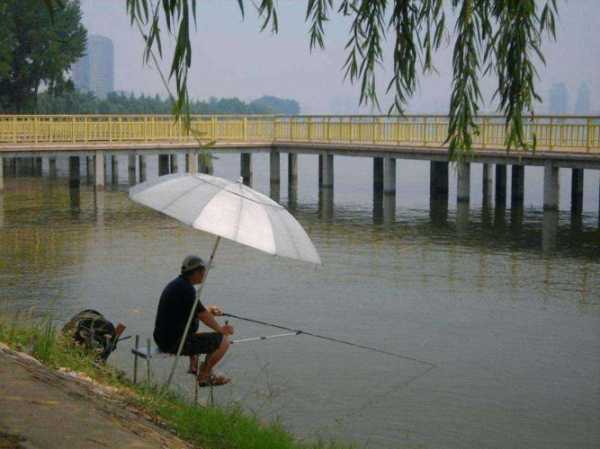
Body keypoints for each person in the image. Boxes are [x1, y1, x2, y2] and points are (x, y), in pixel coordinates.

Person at [153, 255, 234, 386]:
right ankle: (205, 375)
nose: (205, 275)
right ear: (195, 272)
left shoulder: (179, 285)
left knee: (201, 334)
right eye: (203, 272)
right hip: (174, 342)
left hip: (163, 338)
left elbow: (194, 311)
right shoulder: (186, 289)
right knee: (223, 342)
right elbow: (203, 316)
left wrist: (209, 310)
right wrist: (221, 330)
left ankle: (199, 368)